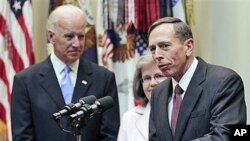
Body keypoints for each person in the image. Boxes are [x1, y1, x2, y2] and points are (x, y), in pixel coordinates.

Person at [11, 5, 120, 141]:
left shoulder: (104, 78)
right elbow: (22, 137)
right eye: (69, 36)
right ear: (51, 37)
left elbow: (110, 135)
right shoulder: (25, 81)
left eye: (81, 36)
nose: (77, 44)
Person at [147, 17, 246, 141]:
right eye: (153, 49)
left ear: (188, 47)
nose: (157, 55)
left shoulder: (224, 82)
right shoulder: (158, 93)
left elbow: (226, 136)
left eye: (165, 46)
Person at [117, 54, 167, 141]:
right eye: (147, 78)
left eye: (158, 76)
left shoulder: (181, 112)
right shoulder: (129, 118)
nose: (152, 83)